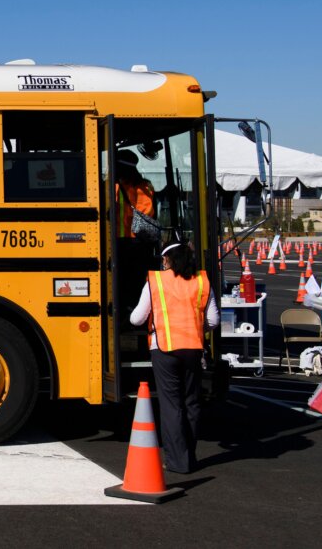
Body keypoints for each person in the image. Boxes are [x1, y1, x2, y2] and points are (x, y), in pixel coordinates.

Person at [130, 241, 219, 473]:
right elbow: (213, 321)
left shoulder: (157, 281)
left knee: (172, 406)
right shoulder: (202, 281)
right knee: (192, 403)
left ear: (167, 260)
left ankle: (177, 461)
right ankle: (189, 455)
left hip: (164, 350)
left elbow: (137, 318)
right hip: (193, 349)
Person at [115, 150, 157, 314]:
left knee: (121, 282)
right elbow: (150, 213)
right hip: (140, 242)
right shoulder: (146, 187)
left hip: (119, 242)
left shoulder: (112, 186)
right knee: (137, 282)